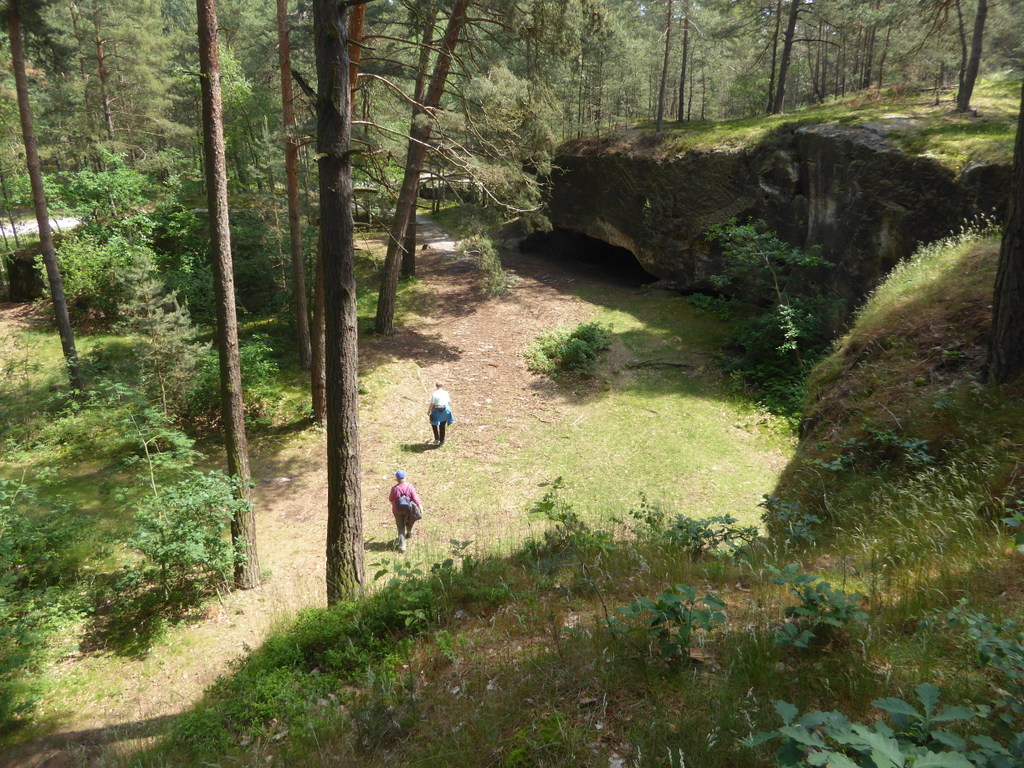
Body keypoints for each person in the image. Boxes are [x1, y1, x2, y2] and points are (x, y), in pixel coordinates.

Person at [388, 470, 423, 553]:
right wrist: (420, 506)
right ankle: (410, 531)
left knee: (400, 527)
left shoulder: (395, 489)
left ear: (397, 479)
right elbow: (415, 498)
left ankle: (402, 546)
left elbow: (390, 499)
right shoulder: (409, 487)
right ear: (405, 477)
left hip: (397, 511)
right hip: (408, 509)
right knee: (409, 521)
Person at [428, 381, 455, 445]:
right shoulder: (446, 393)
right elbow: (449, 402)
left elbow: (432, 404)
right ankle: (442, 440)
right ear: (442, 386)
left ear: (436, 386)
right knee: (442, 425)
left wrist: (429, 410)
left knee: (434, 424)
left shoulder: (434, 393)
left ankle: (437, 439)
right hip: (445, 410)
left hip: (437, 410)